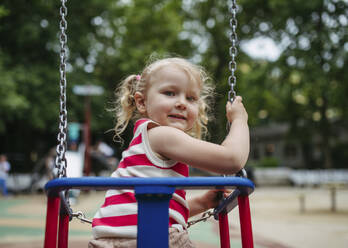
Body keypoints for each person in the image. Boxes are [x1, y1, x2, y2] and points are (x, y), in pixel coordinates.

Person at [89, 57, 250, 248]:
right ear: (141, 102)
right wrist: (240, 120)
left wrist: (202, 202)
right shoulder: (162, 135)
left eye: (190, 98)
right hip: (148, 239)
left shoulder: (145, 140)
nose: (182, 103)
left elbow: (152, 210)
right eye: (170, 93)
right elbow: (232, 159)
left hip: (115, 240)